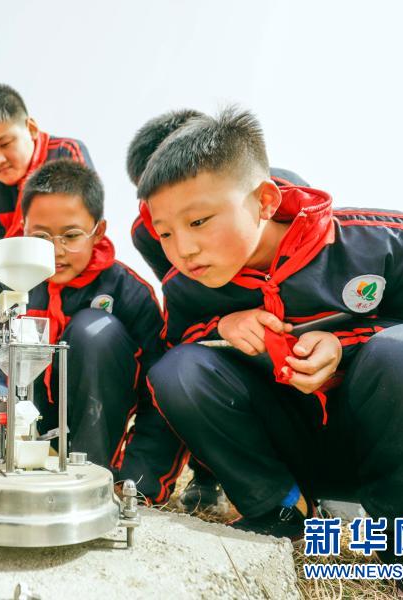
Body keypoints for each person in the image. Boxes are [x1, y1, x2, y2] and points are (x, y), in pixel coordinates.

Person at [141, 106, 403, 597]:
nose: (183, 249)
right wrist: (222, 325)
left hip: (391, 443)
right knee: (178, 369)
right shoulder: (188, 287)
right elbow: (176, 349)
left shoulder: (394, 243)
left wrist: (350, 342)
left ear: (265, 200)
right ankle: (280, 511)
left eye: (199, 221)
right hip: (296, 448)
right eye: (165, 233)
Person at [0, 159, 184, 501]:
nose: (56, 250)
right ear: (23, 228)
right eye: (40, 236)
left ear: (98, 232)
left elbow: (158, 397)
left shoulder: (127, 291)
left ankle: (88, 480)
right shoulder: (6, 283)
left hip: (95, 426)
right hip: (19, 430)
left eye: (71, 236)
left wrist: (140, 480)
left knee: (95, 329)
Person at [125, 109, 308, 515]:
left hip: (287, 320)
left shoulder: (278, 187)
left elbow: (317, 274)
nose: (181, 242)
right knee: (189, 367)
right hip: (224, 317)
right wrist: (221, 324)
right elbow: (188, 293)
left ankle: (320, 489)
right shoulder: (146, 232)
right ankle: (207, 477)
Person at [0, 82, 93, 275]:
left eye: (5, 144)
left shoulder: (65, 153)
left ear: (31, 128)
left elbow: (85, 224)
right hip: (19, 280)